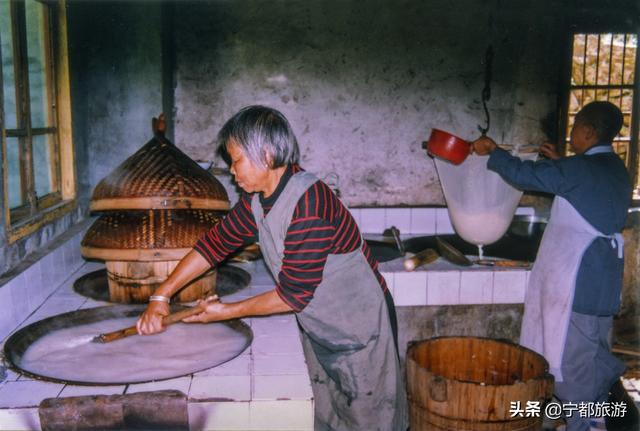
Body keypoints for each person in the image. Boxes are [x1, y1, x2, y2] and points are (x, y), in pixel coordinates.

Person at [137, 105, 407, 431]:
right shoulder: (257, 200)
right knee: (328, 418)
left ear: (265, 155)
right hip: (323, 326)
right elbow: (213, 246)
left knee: (368, 423)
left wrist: (225, 311)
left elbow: (292, 296)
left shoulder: (309, 203)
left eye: (235, 160)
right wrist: (160, 296)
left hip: (361, 332)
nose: (232, 171)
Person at [472, 101, 638, 431]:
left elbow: (525, 174)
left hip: (578, 283)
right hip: (603, 284)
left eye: (576, 126)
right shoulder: (616, 169)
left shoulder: (577, 171)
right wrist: (562, 163)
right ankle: (589, 417)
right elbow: (587, 188)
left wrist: (492, 150)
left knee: (571, 367)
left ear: (589, 132)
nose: (572, 132)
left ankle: (585, 425)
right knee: (595, 360)